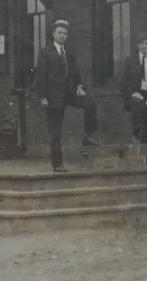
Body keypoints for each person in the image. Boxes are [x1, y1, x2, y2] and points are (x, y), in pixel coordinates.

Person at [31, 19, 97, 172]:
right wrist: (42, 97)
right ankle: (57, 164)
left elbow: (76, 75)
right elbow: (40, 77)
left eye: (65, 33)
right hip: (53, 97)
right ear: (53, 34)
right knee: (55, 131)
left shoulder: (69, 53)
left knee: (90, 103)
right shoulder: (45, 52)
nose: (62, 35)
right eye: (59, 32)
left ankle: (88, 136)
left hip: (70, 93)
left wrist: (80, 87)